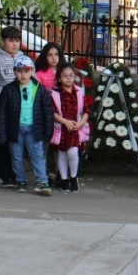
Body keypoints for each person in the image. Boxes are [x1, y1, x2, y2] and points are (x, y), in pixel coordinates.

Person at [0, 55, 55, 196]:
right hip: (15, 129)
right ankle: (20, 180)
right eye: (19, 71)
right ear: (15, 71)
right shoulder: (8, 90)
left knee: (37, 155)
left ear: (31, 71)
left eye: (26, 71)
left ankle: (42, 182)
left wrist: (48, 131)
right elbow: (1, 113)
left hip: (34, 129)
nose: (23, 74)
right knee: (16, 156)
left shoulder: (39, 89)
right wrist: (1, 133)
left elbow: (47, 112)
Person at [0, 26, 24, 188]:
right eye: (11, 40)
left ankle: (15, 174)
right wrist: (2, 99)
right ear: (2, 41)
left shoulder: (23, 58)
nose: (14, 44)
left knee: (17, 142)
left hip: (22, 108)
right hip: (3, 107)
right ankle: (1, 175)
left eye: (17, 40)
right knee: (1, 142)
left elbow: (33, 79)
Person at [51, 62, 89, 193]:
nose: (68, 78)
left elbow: (85, 111)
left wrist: (80, 124)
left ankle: (74, 177)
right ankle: (64, 179)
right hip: (61, 128)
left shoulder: (79, 92)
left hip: (75, 128)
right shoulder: (56, 93)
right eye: (65, 75)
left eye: (71, 75)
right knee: (62, 153)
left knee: (73, 152)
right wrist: (65, 122)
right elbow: (53, 112)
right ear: (59, 78)